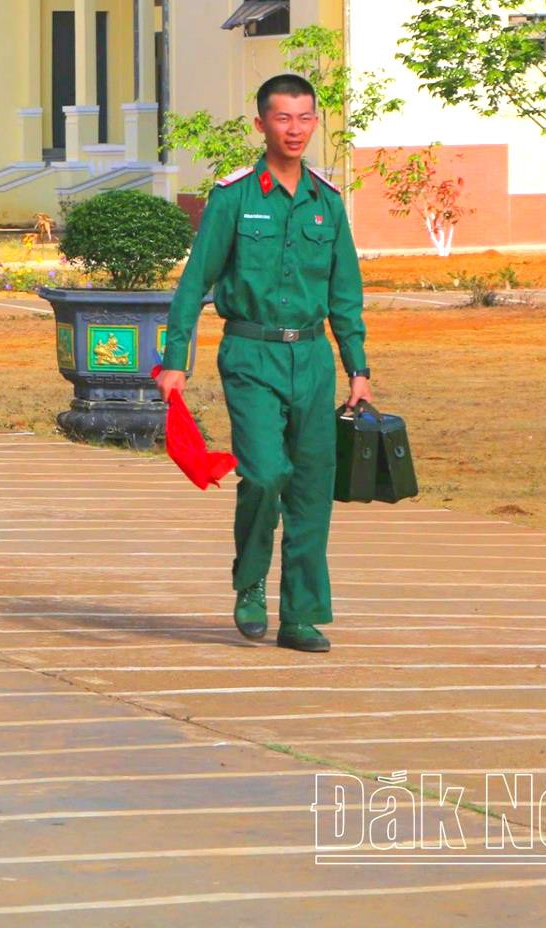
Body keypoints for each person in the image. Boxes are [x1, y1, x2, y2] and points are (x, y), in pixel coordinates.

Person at [157, 73, 371, 655]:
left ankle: (300, 615)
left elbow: (345, 293)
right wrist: (175, 359)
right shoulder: (234, 198)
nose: (295, 129)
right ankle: (250, 580)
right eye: (283, 118)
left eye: (305, 118)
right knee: (265, 473)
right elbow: (193, 282)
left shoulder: (328, 203)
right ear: (261, 124)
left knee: (311, 488)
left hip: (312, 356)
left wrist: (358, 368)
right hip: (250, 353)